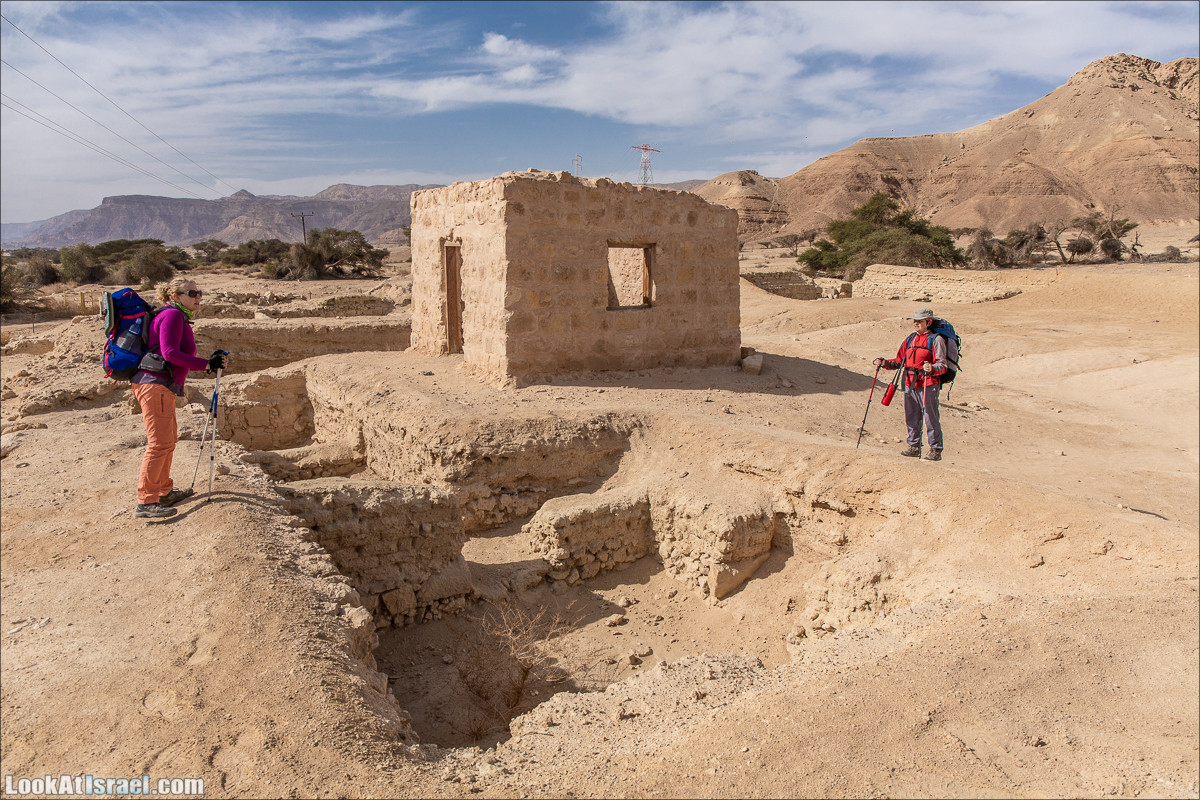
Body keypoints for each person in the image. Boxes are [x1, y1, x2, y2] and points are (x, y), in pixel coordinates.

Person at [131, 278, 227, 519]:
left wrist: (207, 361)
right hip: (155, 386)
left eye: (199, 292)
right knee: (159, 444)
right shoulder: (172, 316)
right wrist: (206, 365)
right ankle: (146, 501)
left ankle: (164, 491)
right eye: (192, 292)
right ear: (175, 296)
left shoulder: (176, 316)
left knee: (168, 440)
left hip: (162, 386)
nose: (198, 297)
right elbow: (170, 353)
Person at [873, 307, 948, 462]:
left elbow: (943, 365)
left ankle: (935, 450)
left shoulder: (936, 340)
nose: (915, 323)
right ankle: (913, 446)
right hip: (908, 383)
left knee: (930, 417)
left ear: (928, 322)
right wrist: (885, 363)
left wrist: (932, 368)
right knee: (911, 416)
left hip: (928, 383)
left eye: (919, 321)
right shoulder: (910, 339)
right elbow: (900, 361)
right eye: (915, 321)